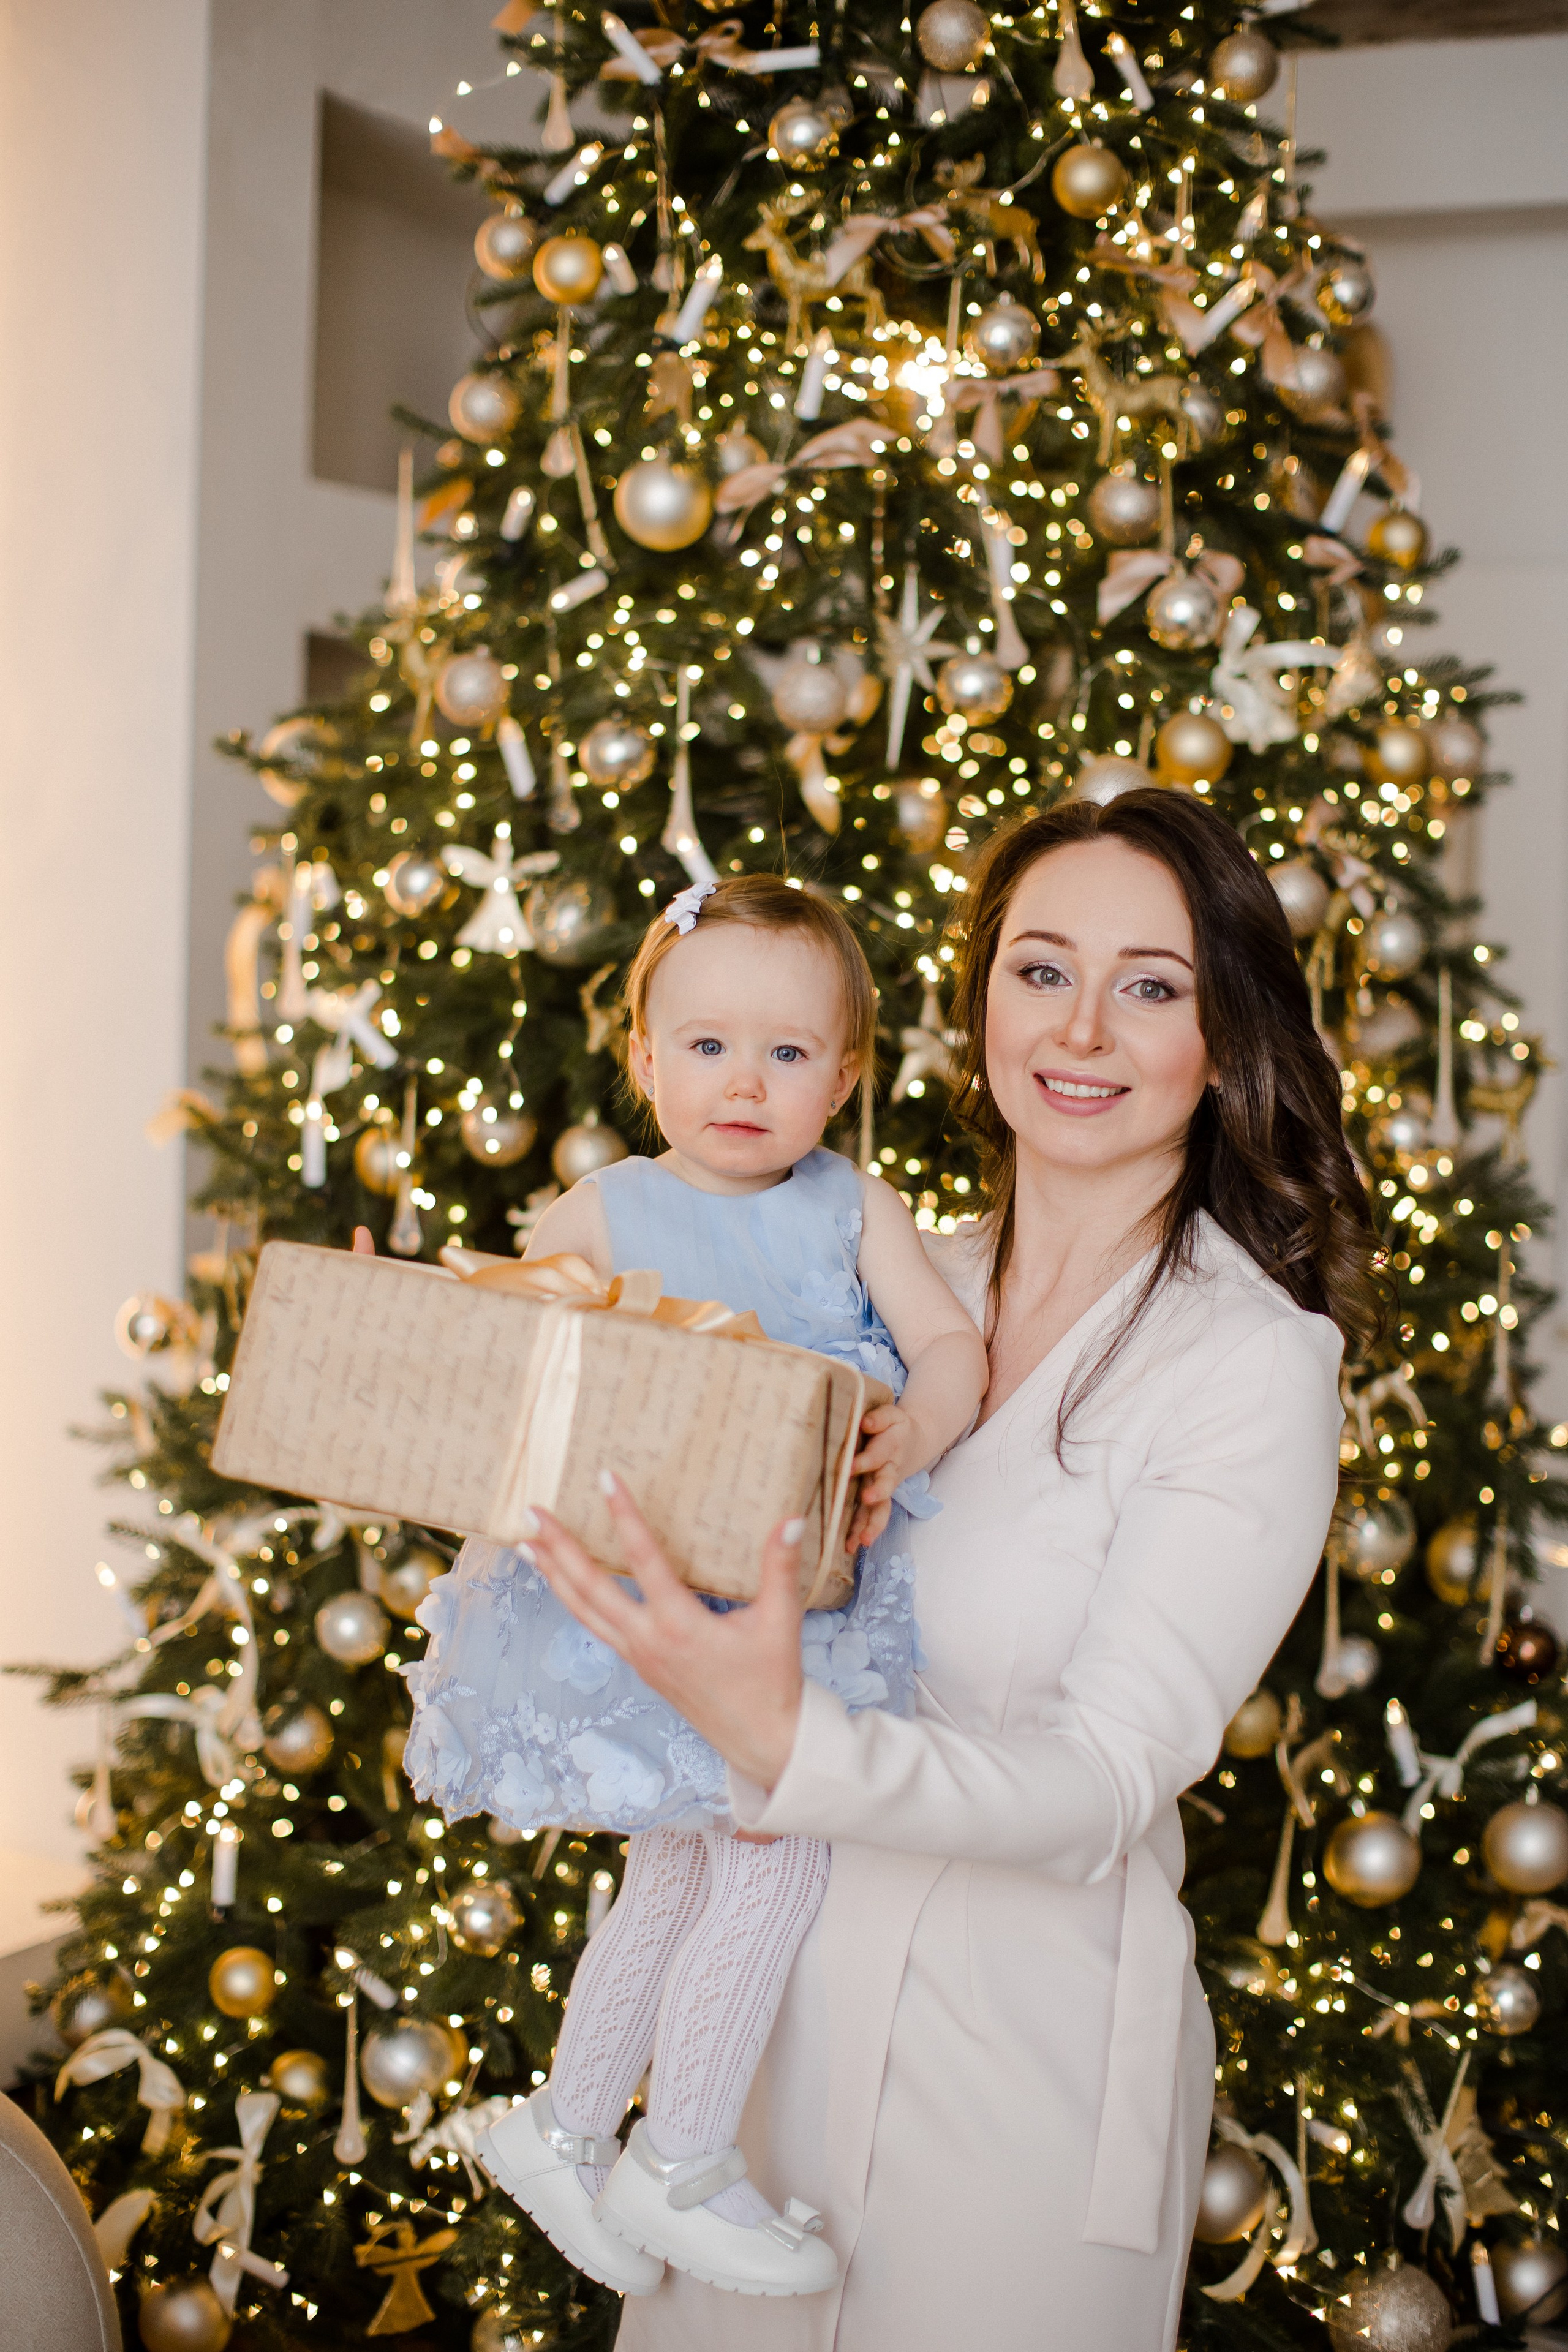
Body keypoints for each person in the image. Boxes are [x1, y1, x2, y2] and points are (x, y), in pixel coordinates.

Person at [523, 791, 1381, 2350]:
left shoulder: (1250, 1363)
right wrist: (457, 1354)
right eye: (1041, 970)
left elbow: (1108, 1775)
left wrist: (788, 1742)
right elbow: (632, 1475)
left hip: (1017, 2087)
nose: (1081, 1030)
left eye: (1151, 985)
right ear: (982, 999)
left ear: (1222, 1038)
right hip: (748, 2062)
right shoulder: (878, 1277)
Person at [399, 873, 987, 2301]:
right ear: (646, 1060)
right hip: (655, 1605)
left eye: (787, 1052)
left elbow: (949, 1344)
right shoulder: (603, 1211)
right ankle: (683, 2158)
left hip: (793, 1608)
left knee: (679, 1869)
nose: (745, 1082)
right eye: (708, 1046)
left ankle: (562, 2128)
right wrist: (417, 1314)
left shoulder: (855, 1206)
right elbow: (503, 1359)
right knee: (771, 1857)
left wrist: (919, 1425)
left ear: (842, 1077)